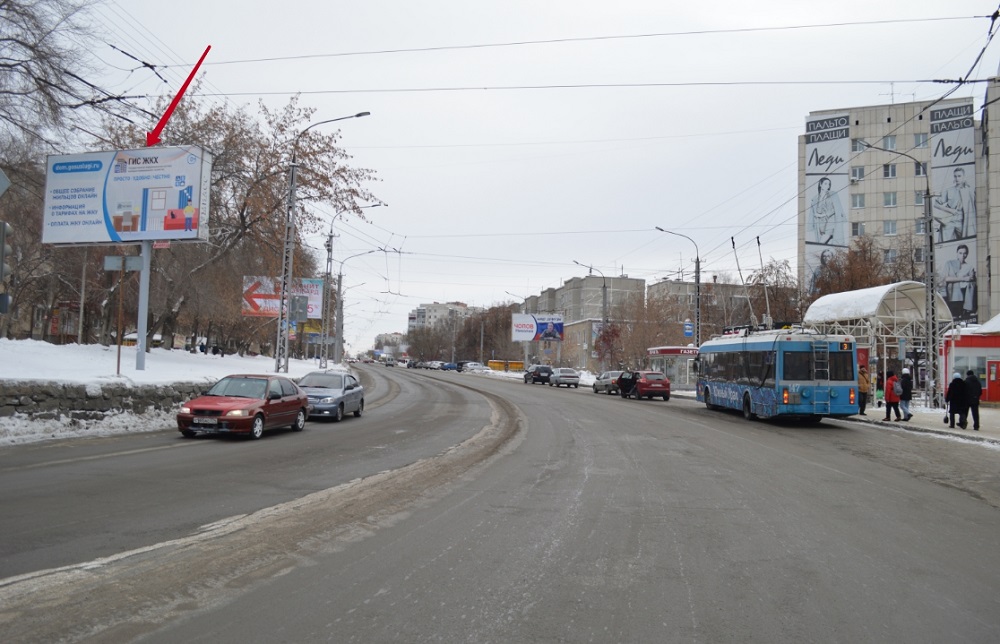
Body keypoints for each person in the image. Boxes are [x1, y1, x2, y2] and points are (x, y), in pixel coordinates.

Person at [933, 166, 976, 241]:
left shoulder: (969, 190)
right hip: (949, 221)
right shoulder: (949, 190)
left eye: (959, 176)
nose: (957, 178)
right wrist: (950, 210)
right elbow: (936, 204)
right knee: (945, 242)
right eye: (955, 176)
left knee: (966, 241)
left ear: (964, 177)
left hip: (962, 221)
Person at [939, 244, 976, 320]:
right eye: (960, 253)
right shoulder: (949, 263)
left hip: (964, 298)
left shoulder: (969, 267)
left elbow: (971, 279)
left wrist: (965, 279)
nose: (962, 255)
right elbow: (946, 278)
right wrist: (963, 278)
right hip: (951, 296)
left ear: (967, 254)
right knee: (953, 318)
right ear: (957, 253)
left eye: (964, 253)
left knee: (964, 319)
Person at [809, 177, 847, 246]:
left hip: (831, 222)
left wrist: (822, 215)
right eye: (825, 183)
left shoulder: (833, 195)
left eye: (829, 184)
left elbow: (835, 209)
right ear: (820, 184)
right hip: (820, 224)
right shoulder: (815, 198)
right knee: (822, 244)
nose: (828, 186)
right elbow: (815, 212)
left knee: (820, 244)